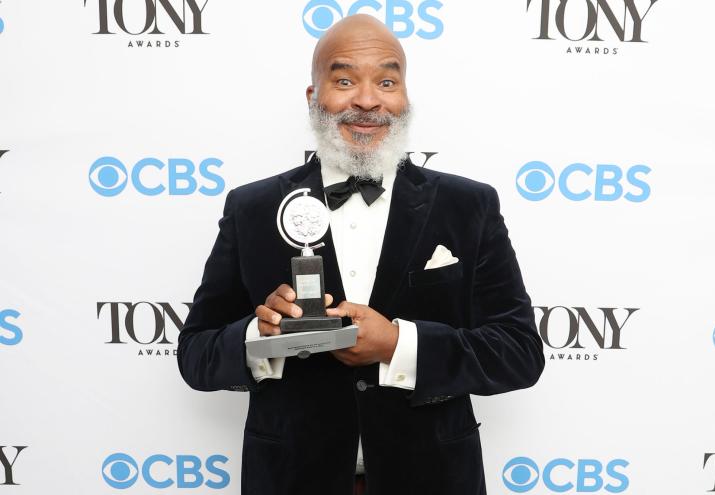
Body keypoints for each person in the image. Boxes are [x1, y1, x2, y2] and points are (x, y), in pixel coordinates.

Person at [177, 14, 544, 495]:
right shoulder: (253, 208)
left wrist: (396, 344)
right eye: (345, 80)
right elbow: (195, 355)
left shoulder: (468, 205)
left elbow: (518, 354)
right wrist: (257, 335)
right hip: (291, 479)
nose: (368, 101)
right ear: (314, 98)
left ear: (405, 98)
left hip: (432, 479)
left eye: (387, 81)